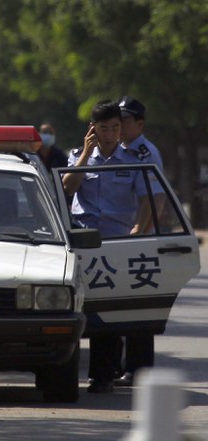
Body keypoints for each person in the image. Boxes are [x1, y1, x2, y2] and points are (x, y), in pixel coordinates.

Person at [62, 101, 155, 393]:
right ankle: (67, 371)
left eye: (116, 127)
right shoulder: (79, 156)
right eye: (104, 128)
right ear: (93, 129)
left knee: (108, 312)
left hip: (116, 243)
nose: (111, 133)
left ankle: (101, 377)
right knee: (75, 309)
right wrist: (86, 153)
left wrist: (139, 229)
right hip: (83, 241)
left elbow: (146, 200)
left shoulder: (133, 159)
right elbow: (67, 188)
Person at [114, 96, 164, 387]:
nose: (120, 125)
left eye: (126, 120)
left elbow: (154, 199)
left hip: (135, 240)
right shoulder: (117, 149)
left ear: (140, 124)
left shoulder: (145, 153)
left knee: (137, 307)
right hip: (114, 238)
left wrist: (139, 231)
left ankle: (139, 369)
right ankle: (115, 367)